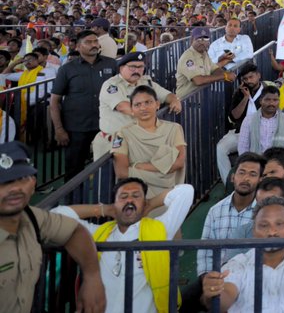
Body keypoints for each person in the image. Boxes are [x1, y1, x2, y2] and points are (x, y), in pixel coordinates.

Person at [52, 179, 194, 313]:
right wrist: (104, 209)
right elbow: (56, 215)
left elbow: (185, 192)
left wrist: (150, 205)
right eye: (123, 196)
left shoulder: (161, 229)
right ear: (114, 204)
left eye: (136, 196)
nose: (130, 200)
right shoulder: (99, 233)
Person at [0, 141, 106, 313]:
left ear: (33, 182)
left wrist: (92, 276)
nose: (14, 189)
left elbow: (75, 231)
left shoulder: (32, 218)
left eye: (21, 179)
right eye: (4, 182)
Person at [199, 197, 284, 312]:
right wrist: (214, 293)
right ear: (253, 230)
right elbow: (223, 301)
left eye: (279, 224)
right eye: (264, 225)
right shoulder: (238, 264)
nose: (272, 232)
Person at [50, 30, 118, 179]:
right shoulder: (67, 69)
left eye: (95, 41)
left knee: (111, 165)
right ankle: (72, 201)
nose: (94, 45)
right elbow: (54, 101)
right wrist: (59, 129)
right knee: (74, 169)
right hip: (77, 127)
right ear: (78, 47)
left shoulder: (111, 64)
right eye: (88, 42)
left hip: (106, 125)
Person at [94, 52, 182, 161]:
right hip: (113, 143)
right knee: (109, 176)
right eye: (132, 67)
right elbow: (123, 107)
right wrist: (151, 111)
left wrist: (174, 100)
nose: (137, 70)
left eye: (140, 67)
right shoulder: (112, 85)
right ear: (121, 68)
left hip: (138, 142)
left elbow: (166, 95)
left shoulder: (145, 83)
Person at [112, 86, 186, 202]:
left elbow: (179, 162)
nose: (143, 108)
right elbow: (122, 172)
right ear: (131, 109)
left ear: (157, 104)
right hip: (140, 197)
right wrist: (164, 172)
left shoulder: (174, 129)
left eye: (148, 102)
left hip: (169, 196)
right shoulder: (123, 134)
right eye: (137, 105)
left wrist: (137, 166)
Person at [198, 153, 265, 270]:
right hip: (220, 278)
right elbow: (205, 252)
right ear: (233, 177)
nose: (246, 178)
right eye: (241, 172)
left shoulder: (265, 212)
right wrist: (207, 277)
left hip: (254, 278)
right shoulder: (215, 211)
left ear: (260, 180)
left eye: (252, 174)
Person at [175, 27, 234, 99]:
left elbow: (214, 69)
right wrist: (224, 76)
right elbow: (198, 80)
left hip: (200, 98)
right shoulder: (188, 57)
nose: (202, 42)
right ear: (191, 40)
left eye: (206, 39)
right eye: (199, 39)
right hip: (187, 101)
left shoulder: (204, 53)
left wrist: (224, 74)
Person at [237, 85, 284, 155]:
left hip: (279, 162)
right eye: (267, 100)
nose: (271, 103)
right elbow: (243, 147)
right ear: (261, 101)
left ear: (279, 101)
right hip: (255, 162)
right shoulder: (249, 119)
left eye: (275, 100)